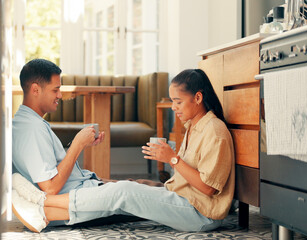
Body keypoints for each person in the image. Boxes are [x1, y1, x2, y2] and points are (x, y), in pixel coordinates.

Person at [12, 68, 235, 233]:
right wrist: (165, 165)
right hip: (187, 201)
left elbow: (208, 189)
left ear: (197, 98)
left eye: (177, 102)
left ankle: (40, 203)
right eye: (172, 101)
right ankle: (41, 205)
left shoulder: (214, 131)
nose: (173, 107)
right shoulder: (194, 126)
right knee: (131, 187)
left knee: (125, 192)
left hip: (201, 213)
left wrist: (172, 159)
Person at [12, 59, 159, 227]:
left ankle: (186, 194)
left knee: (141, 185)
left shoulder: (26, 122)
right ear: (35, 90)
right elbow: (50, 188)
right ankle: (188, 201)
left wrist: (81, 143)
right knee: (143, 194)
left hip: (82, 187)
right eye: (56, 90)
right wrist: (77, 145)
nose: (60, 95)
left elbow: (49, 166)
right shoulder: (32, 129)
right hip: (78, 200)